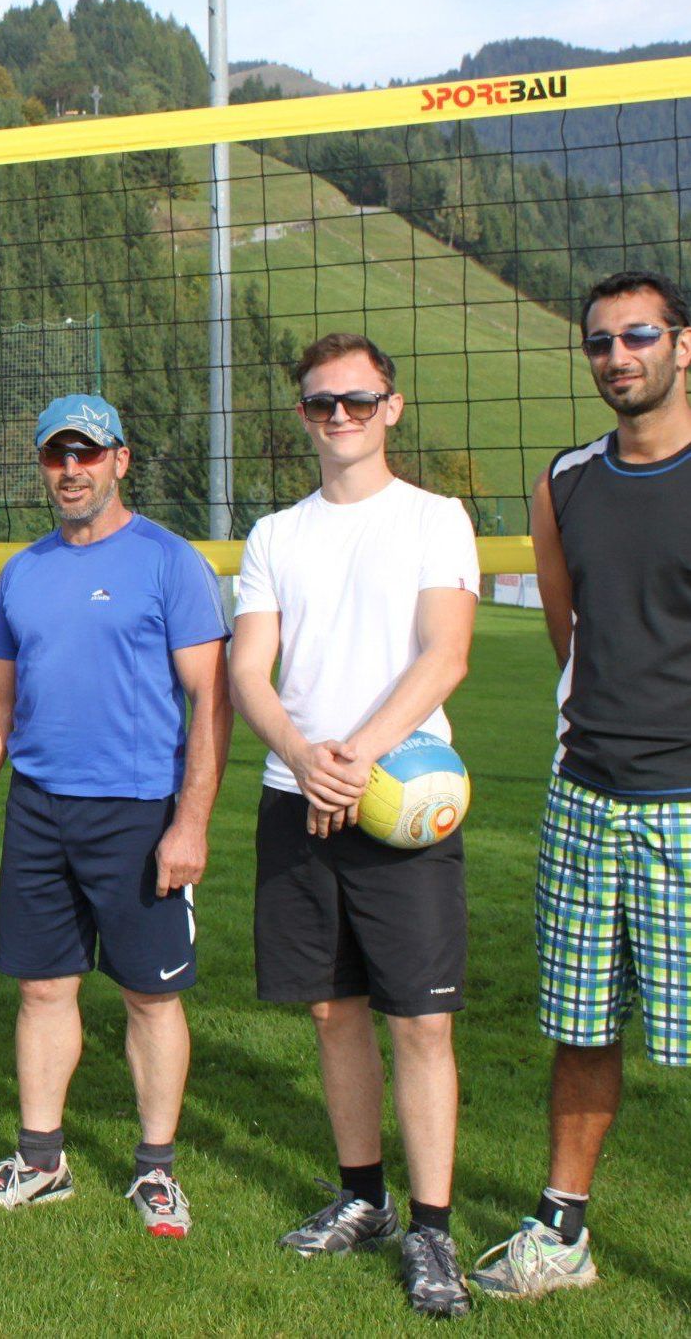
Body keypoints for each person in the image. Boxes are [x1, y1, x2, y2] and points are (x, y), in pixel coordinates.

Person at [229, 333, 479, 1318]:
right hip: (299, 799)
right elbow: (249, 669)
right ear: (302, 416)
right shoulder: (272, 535)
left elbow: (444, 654)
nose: (339, 417)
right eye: (321, 404)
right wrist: (302, 759)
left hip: (402, 801)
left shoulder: (433, 518)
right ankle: (361, 1198)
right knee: (331, 1013)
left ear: (391, 405)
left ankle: (430, 1230)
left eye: (357, 401)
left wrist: (356, 758)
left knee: (418, 1022)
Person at [0, 396, 230, 1232]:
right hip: (40, 808)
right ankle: (42, 1161)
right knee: (42, 987)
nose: (70, 470)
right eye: (55, 456)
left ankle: (155, 1171)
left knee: (149, 996)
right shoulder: (27, 570)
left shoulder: (168, 561)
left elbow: (209, 701)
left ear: (120, 460)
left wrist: (191, 822)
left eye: (86, 454)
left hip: (139, 812)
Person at [471, 271, 691, 1299]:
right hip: (584, 798)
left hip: (685, 805)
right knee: (579, 1029)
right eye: (598, 342)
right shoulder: (564, 481)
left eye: (636, 337)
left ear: (680, 346)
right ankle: (561, 1236)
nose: (616, 358)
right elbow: (566, 637)